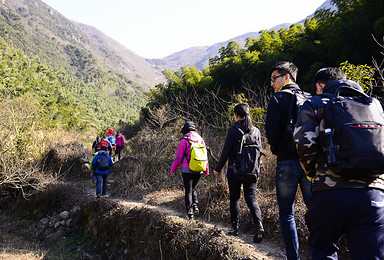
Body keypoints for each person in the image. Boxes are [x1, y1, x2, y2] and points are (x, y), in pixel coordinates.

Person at [293, 67, 384, 259]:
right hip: (373, 193)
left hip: (330, 191)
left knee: (323, 251)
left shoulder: (315, 102)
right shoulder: (373, 104)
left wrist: (313, 173)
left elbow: (303, 144)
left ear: (319, 86)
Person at [265, 61, 312, 259]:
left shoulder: (278, 99)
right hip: (310, 163)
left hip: (286, 162)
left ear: (287, 77)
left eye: (274, 78)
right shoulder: (310, 98)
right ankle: (321, 252)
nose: (272, 84)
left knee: (286, 213)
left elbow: (271, 131)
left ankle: (293, 257)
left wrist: (278, 150)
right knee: (316, 209)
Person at [213, 104, 264, 243]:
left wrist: (218, 168)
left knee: (235, 198)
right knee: (251, 199)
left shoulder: (233, 130)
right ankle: (259, 225)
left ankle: (235, 229)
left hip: (234, 171)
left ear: (237, 115)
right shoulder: (256, 131)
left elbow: (226, 151)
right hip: (252, 172)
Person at [170, 121, 209, 220]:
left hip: (187, 170)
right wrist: (206, 170)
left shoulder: (185, 140)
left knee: (188, 191)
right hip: (199, 168)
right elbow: (205, 155)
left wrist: (173, 169)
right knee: (192, 188)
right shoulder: (201, 140)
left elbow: (178, 156)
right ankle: (195, 205)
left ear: (185, 130)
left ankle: (190, 214)